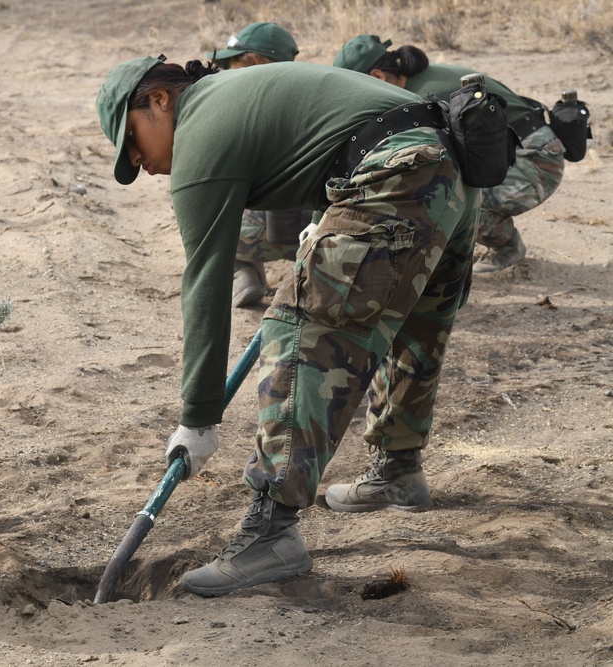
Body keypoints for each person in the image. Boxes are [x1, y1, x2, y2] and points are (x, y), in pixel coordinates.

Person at [96, 54, 480, 596]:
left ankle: (271, 531)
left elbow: (205, 282)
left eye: (131, 139)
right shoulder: (233, 96)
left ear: (159, 100)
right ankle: (397, 469)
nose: (138, 161)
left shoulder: (199, 130)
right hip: (454, 167)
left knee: (302, 325)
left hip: (397, 167)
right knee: (414, 322)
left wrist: (198, 417)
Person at [334, 35, 566, 274]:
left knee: (449, 199)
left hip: (536, 161)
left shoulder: (422, 97)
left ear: (377, 77)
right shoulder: (424, 79)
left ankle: (508, 247)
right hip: (523, 150)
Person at [206, 22, 315, 308]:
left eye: (232, 63)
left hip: (265, 234)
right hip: (322, 234)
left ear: (252, 62)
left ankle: (241, 271)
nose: (225, 71)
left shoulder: (241, 104)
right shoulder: (318, 92)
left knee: (197, 194)